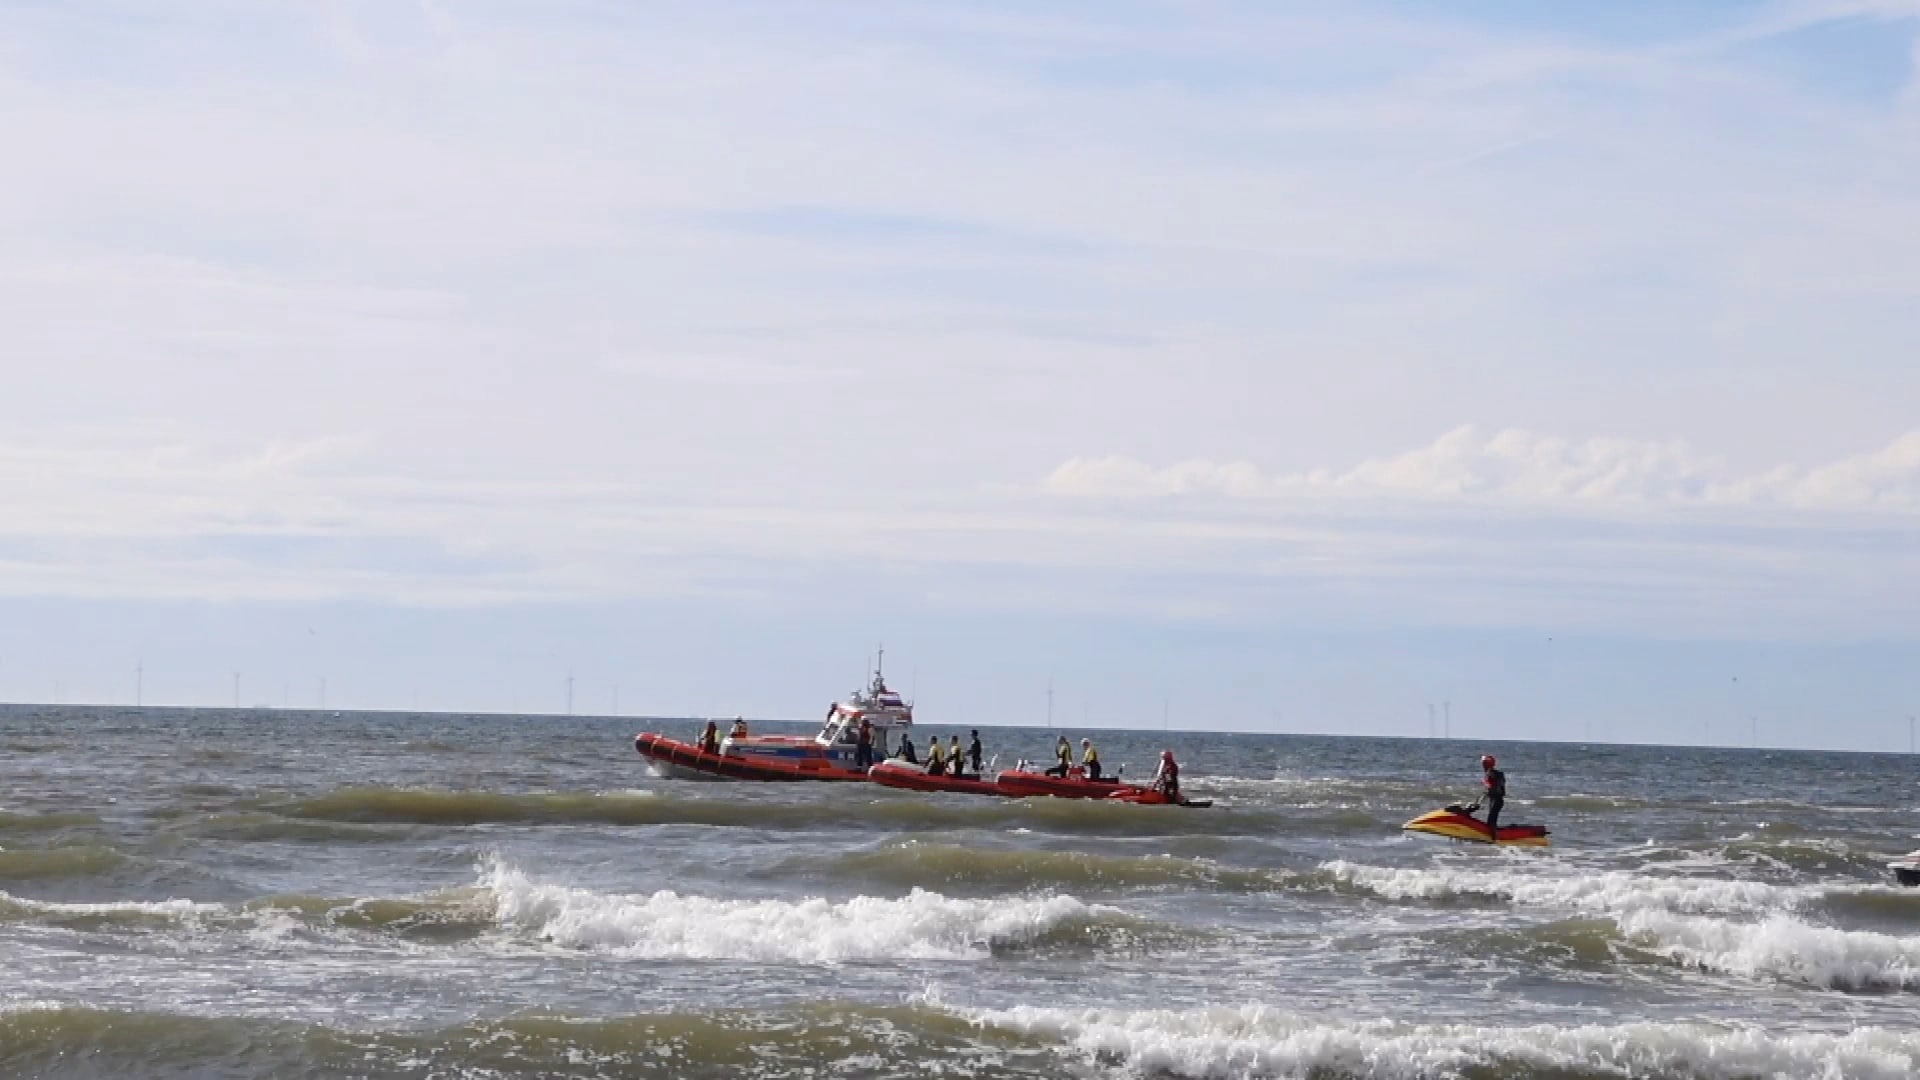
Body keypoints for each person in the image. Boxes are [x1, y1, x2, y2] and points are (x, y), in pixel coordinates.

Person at [1469, 754, 1506, 839]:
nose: (1483, 765)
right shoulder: (1491, 773)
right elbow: (1487, 791)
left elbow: (1490, 789)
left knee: (1491, 822)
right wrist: (1478, 802)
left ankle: (1494, 839)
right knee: (1491, 820)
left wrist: (1479, 802)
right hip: (1496, 800)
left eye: (1484, 763)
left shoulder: (1491, 773)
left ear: (1487, 764)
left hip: (1496, 801)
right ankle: (1493, 836)